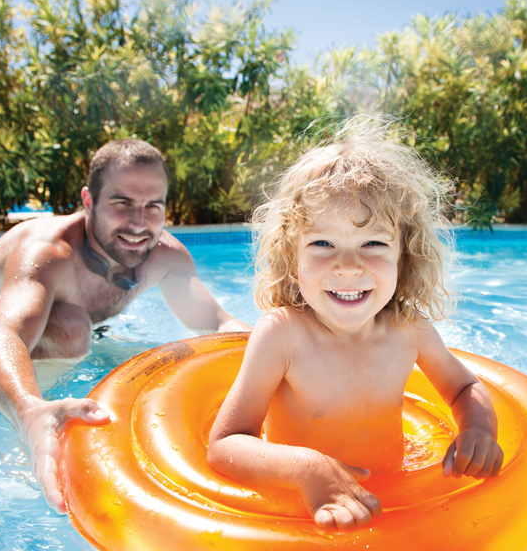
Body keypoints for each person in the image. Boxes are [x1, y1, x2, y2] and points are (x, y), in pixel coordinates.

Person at [0, 138, 250, 513]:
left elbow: (216, 321)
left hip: (72, 333)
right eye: (122, 203)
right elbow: (7, 333)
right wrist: (29, 413)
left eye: (152, 206)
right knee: (72, 329)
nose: (139, 223)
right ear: (89, 201)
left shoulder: (164, 256)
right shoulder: (48, 253)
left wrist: (258, 344)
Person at [207, 118, 504, 531]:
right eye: (322, 244)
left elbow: (465, 387)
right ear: (292, 257)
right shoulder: (282, 335)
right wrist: (306, 468)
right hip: (302, 514)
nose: (348, 267)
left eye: (373, 244)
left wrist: (477, 430)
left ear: (406, 254)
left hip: (393, 500)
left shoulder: (407, 329)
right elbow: (225, 445)